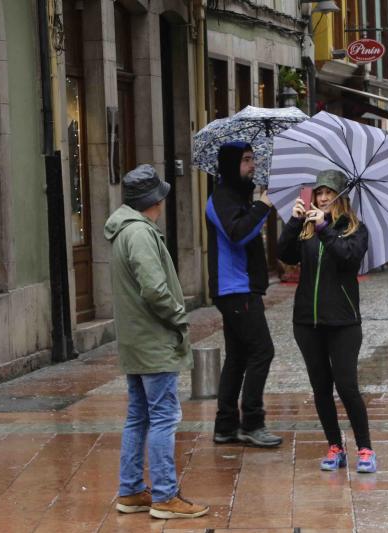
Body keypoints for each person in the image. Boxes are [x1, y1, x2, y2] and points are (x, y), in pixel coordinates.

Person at [104, 164, 208, 520]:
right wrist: (178, 316)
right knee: (164, 416)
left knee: (138, 415)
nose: (163, 203)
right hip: (153, 340)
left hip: (136, 341)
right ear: (153, 201)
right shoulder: (140, 234)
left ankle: (131, 490)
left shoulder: (125, 231)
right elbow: (154, 289)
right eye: (160, 197)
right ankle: (165, 495)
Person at [277, 169, 376, 474]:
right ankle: (334, 446)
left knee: (347, 386)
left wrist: (325, 229)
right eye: (318, 193)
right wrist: (295, 223)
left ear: (341, 197)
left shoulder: (355, 230)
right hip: (307, 321)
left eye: (328, 193)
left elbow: (348, 258)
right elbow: (284, 254)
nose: (322, 198)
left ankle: (364, 449)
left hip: (344, 321)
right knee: (321, 387)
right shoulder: (306, 227)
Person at [206, 141, 282, 448]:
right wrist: (263, 205)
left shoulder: (236, 196)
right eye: (246, 160)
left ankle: (225, 426)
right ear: (230, 165)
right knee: (262, 351)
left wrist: (257, 204)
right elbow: (238, 234)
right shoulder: (222, 198)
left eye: (253, 159)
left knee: (238, 357)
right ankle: (252, 422)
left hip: (240, 288)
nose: (252, 165)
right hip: (236, 290)